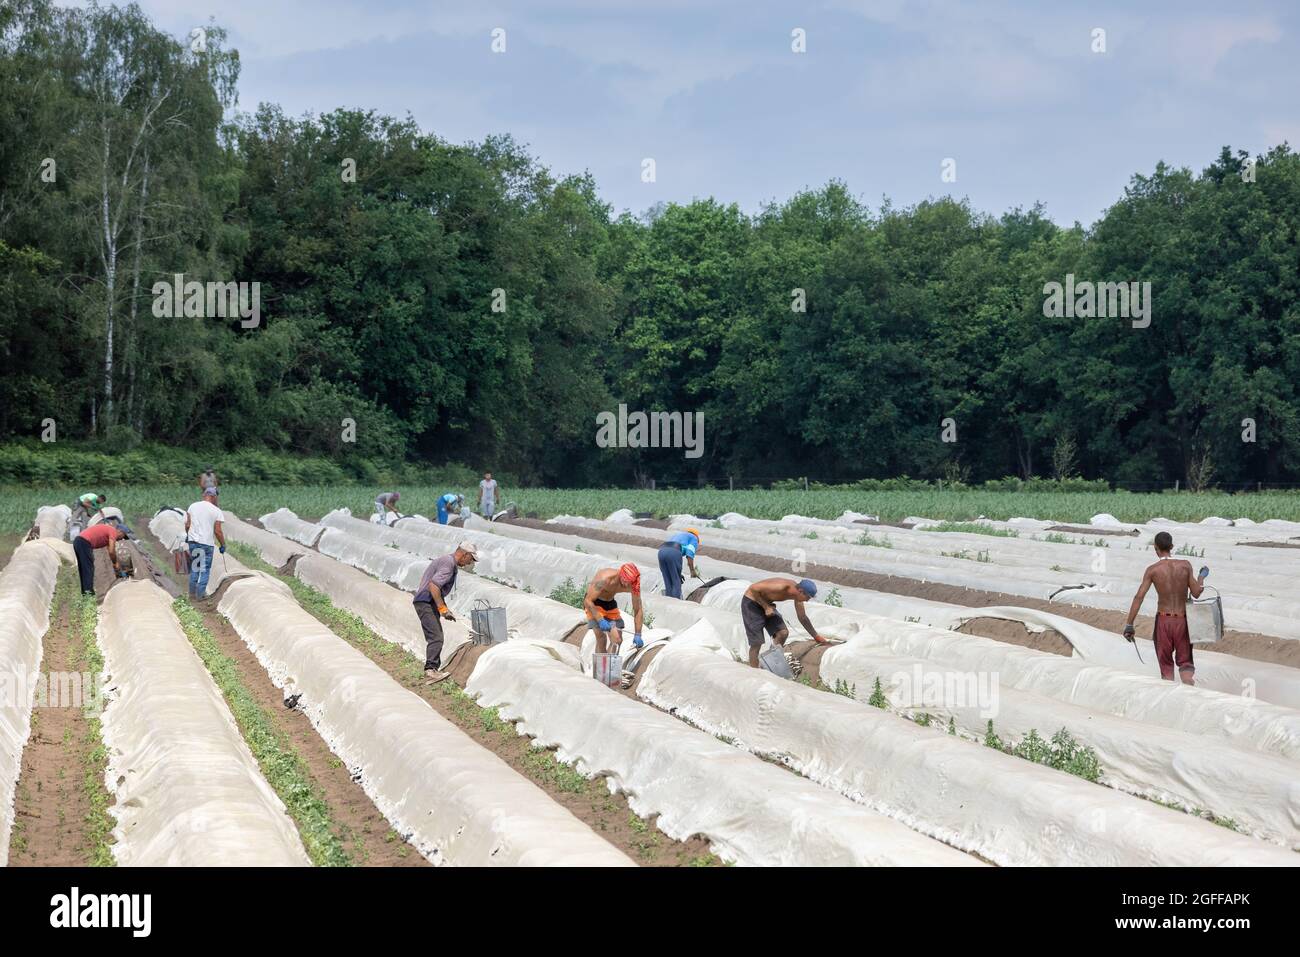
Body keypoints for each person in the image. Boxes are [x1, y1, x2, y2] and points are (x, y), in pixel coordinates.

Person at [1122, 531, 1207, 685]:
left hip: (1163, 621)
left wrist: (1129, 624)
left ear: (1155, 548)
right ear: (1172, 546)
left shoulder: (1153, 570)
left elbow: (1139, 597)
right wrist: (1201, 577)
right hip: (1183, 621)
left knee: (1166, 667)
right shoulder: (1185, 566)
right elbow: (1196, 593)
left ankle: (1170, 700)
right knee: (1186, 664)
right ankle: (1189, 689)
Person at [412, 541, 479, 682]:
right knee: (436, 637)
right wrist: (442, 608)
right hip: (426, 601)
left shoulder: (446, 561)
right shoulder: (448, 564)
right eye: (470, 559)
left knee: (436, 635)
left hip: (426, 601)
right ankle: (431, 670)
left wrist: (444, 608)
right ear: (465, 554)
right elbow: (434, 585)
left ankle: (432, 668)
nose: (469, 563)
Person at [741, 577, 826, 668]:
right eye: (808, 597)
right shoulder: (782, 586)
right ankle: (754, 671)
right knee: (757, 642)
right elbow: (753, 588)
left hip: (766, 604)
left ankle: (769, 665)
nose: (807, 600)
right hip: (751, 603)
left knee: (783, 633)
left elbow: (802, 617)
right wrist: (766, 607)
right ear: (801, 591)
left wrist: (816, 636)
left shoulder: (797, 596)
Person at [583, 563, 644, 654]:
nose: (626, 584)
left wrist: (638, 634)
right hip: (594, 604)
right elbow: (588, 600)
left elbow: (638, 609)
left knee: (617, 640)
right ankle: (601, 666)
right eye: (625, 581)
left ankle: (610, 665)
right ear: (620, 574)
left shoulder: (634, 585)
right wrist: (600, 620)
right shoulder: (604, 578)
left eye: (630, 582)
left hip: (610, 605)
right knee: (601, 638)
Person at [185, 487, 226, 599]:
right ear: (214, 496)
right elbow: (217, 531)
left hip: (193, 542)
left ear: (204, 495)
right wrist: (222, 544)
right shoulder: (216, 511)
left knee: (195, 567)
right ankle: (200, 595)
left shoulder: (193, 506)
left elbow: (188, 525)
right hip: (206, 544)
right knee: (204, 569)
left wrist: (187, 536)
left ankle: (192, 595)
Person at [73, 513, 128, 595]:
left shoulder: (109, 531)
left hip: (79, 542)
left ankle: (85, 593)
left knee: (84, 568)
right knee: (88, 569)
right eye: (123, 536)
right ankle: (88, 594)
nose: (122, 539)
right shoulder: (113, 531)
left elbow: (110, 550)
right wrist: (115, 563)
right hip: (83, 542)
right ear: (120, 532)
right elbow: (112, 551)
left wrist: (116, 565)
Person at [657, 526, 701, 598]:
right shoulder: (694, 538)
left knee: (667, 580)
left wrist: (678, 573)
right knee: (676, 582)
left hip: (661, 551)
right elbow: (689, 555)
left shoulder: (679, 535)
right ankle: (676, 602)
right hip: (674, 552)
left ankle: (668, 600)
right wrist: (692, 571)